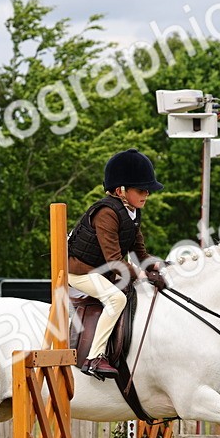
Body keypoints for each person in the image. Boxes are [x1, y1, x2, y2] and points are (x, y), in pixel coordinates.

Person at [67, 149, 168, 379]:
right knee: (116, 299)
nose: (147, 194)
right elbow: (114, 261)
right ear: (121, 190)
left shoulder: (132, 213)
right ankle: (94, 357)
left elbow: (140, 253)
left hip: (100, 272)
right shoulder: (106, 213)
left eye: (148, 190)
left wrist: (157, 266)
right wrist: (141, 275)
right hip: (79, 272)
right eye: (141, 190)